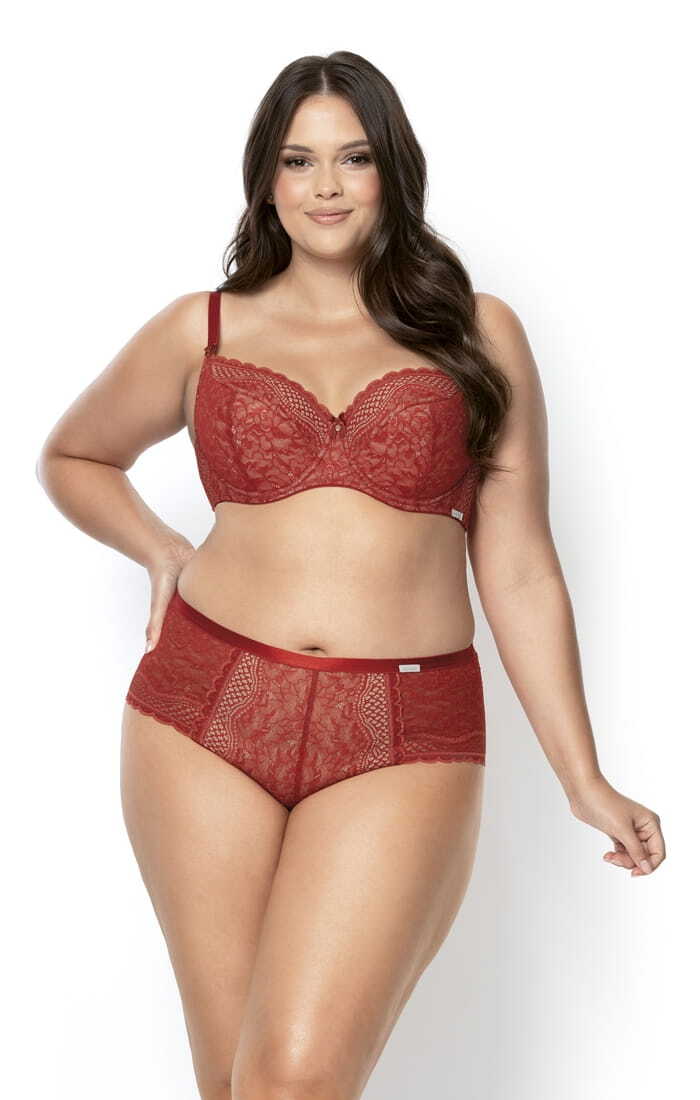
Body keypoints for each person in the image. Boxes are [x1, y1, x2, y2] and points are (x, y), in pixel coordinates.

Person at [36, 50, 665, 1100]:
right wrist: (160, 548)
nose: (325, 186)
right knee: (233, 1082)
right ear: (266, 180)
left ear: (391, 171)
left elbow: (517, 564)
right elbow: (74, 455)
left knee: (294, 1079)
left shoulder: (478, 331)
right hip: (203, 711)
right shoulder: (204, 327)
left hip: (403, 726)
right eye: (299, 160)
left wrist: (582, 776)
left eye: (354, 158)